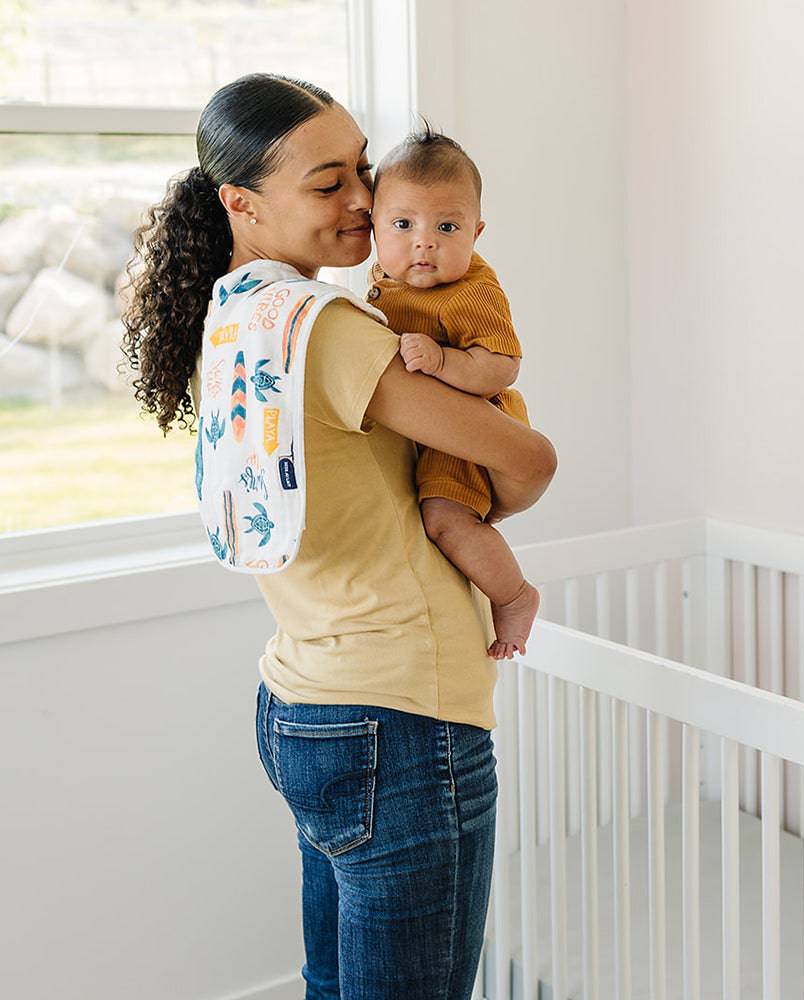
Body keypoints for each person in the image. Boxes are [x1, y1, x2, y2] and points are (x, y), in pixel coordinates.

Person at [121, 72, 556, 1000]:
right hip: (400, 715)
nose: (365, 199)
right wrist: (475, 515)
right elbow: (531, 457)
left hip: (302, 696)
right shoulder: (328, 328)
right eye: (328, 184)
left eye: (362, 169)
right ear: (242, 202)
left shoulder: (234, 315)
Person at [367, 125, 539, 661]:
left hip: (467, 429)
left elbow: (502, 367)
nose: (424, 241)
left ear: (476, 232)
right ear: (372, 227)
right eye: (402, 224)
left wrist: (444, 360)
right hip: (423, 428)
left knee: (446, 520)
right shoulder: (385, 277)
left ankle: (513, 595)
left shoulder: (471, 292)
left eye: (446, 226)